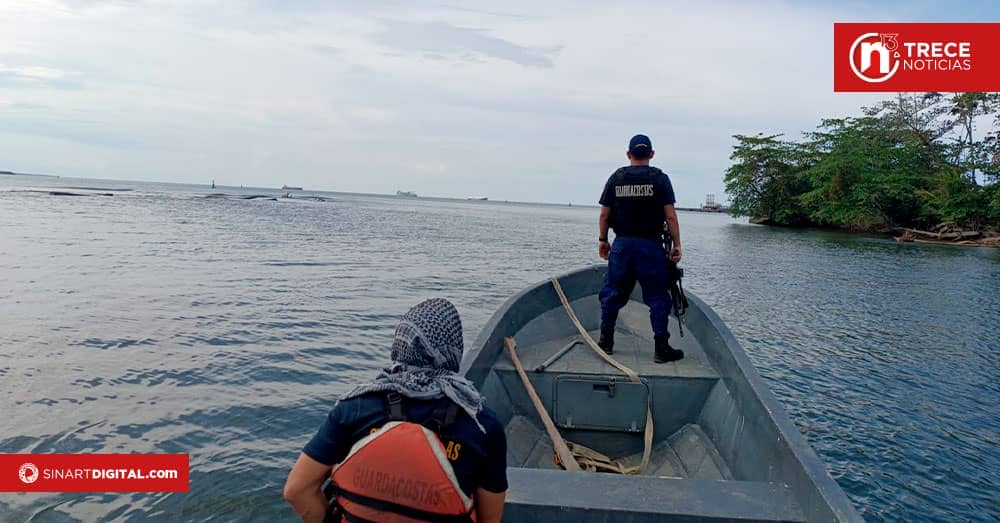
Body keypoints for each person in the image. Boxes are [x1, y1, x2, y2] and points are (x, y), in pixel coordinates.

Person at [283, 298, 508, 523]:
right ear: (454, 348)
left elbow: (297, 490)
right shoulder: (482, 424)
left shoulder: (353, 408)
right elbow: (490, 519)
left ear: (400, 344)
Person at [597, 134, 685, 363]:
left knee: (612, 293)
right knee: (657, 297)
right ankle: (661, 348)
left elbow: (604, 215)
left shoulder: (616, 178)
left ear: (628, 154)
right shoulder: (660, 179)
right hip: (650, 247)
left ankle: (606, 342)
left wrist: (603, 240)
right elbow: (671, 216)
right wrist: (677, 244)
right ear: (652, 154)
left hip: (623, 246)